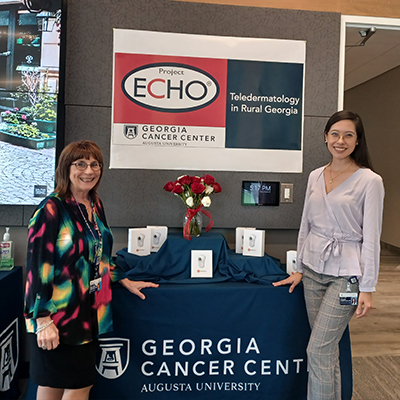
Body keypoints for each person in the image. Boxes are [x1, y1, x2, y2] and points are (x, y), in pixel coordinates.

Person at [24, 140, 158, 400]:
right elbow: (37, 268)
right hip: (57, 316)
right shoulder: (51, 209)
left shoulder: (94, 203)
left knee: (56, 384)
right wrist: (42, 320)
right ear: (66, 168)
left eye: (95, 164)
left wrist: (123, 280)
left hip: (87, 312)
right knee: (76, 385)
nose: (89, 170)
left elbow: (100, 254)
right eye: (81, 164)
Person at [273, 110, 384, 400]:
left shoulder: (370, 181)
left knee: (318, 348)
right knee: (327, 349)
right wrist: (298, 267)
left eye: (349, 135)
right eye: (335, 133)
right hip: (312, 271)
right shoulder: (315, 175)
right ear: (325, 137)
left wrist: (368, 288)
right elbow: (305, 224)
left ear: (357, 141)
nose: (341, 140)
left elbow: (371, 238)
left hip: (347, 279)